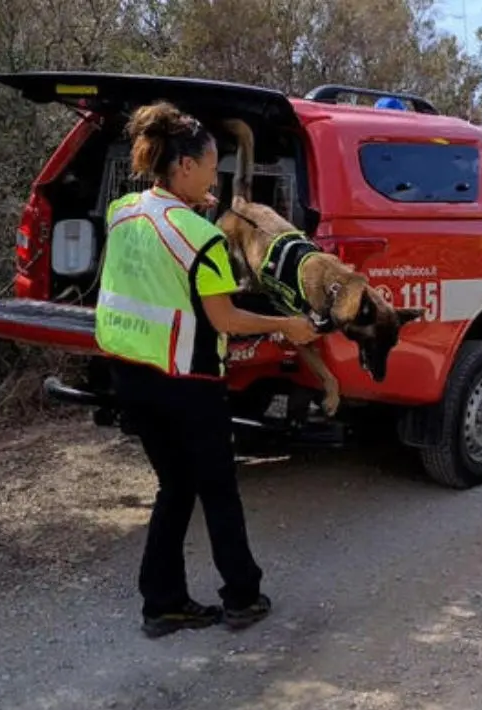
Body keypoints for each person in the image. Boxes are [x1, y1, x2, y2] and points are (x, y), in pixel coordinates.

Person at [95, 101, 319, 638]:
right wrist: (287, 326)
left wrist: (189, 209)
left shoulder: (122, 212)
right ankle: (242, 596)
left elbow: (154, 258)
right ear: (186, 167)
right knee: (218, 490)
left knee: (174, 487)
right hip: (187, 385)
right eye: (211, 166)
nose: (215, 176)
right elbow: (225, 319)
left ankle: (162, 604)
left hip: (129, 376)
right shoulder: (204, 240)